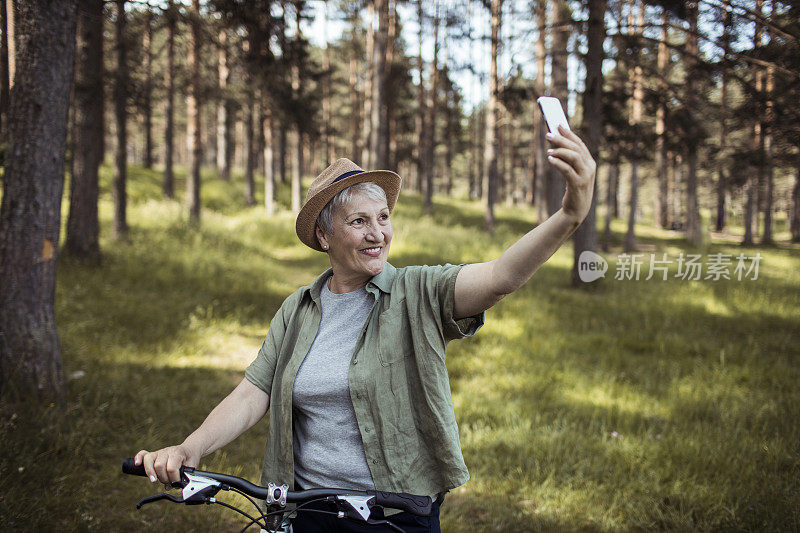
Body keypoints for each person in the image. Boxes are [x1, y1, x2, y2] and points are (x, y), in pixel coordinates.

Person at [133, 125, 596, 532]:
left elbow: (500, 277)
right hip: (308, 512)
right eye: (359, 221)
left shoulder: (418, 293)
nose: (378, 234)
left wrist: (569, 216)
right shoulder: (298, 310)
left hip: (394, 516)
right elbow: (254, 392)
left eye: (383, 218)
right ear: (324, 236)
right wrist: (191, 447)